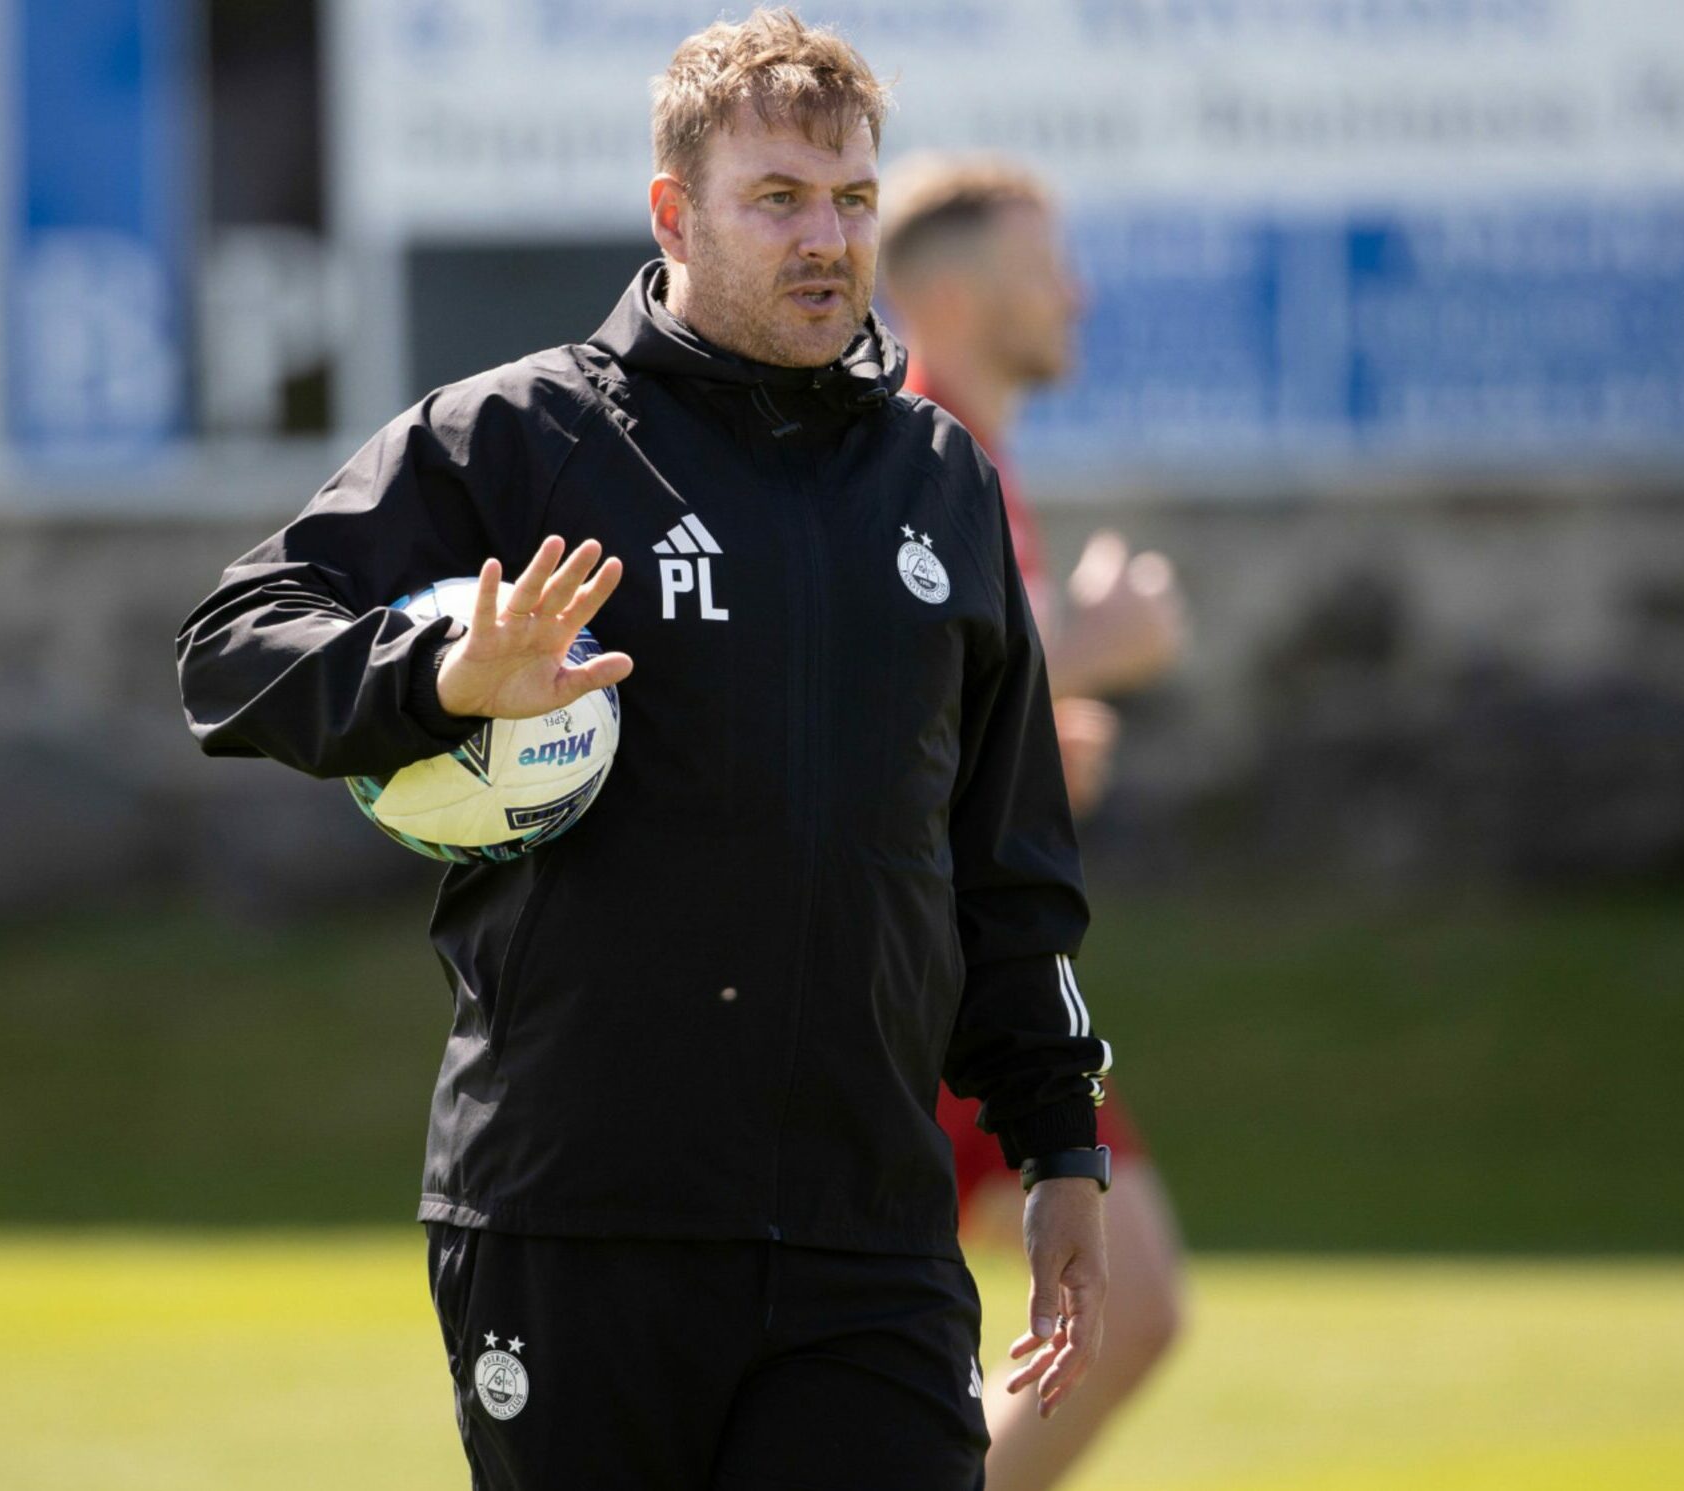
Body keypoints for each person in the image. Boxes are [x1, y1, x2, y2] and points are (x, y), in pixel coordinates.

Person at [176, 11, 1114, 1489]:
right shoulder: (518, 439)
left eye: (854, 200)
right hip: (575, 1222)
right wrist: (441, 676)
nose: (828, 240)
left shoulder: (939, 485)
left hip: (867, 1241)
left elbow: (1005, 859)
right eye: (779, 200)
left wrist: (1061, 1140)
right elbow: (233, 646)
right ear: (674, 212)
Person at [880, 152, 1191, 1491]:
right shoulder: (914, 455)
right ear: (949, 295)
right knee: (1122, 1301)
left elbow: (938, 728)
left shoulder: (976, 460)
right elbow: (890, 691)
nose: (1078, 291)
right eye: (1042, 265)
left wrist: (1038, 748)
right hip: (927, 971)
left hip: (950, 956)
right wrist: (1088, 645)